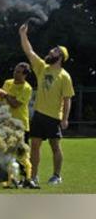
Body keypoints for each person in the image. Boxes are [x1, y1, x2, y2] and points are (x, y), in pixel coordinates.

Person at [19, 23, 74, 187]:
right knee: (34, 146)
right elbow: (29, 52)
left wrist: (64, 119)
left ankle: (57, 175)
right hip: (38, 114)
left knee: (55, 146)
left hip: (53, 116)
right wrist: (23, 35)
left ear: (61, 57)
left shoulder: (64, 76)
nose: (51, 51)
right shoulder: (42, 67)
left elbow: (67, 99)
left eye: (55, 51)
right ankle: (34, 177)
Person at [0, 62, 35, 188]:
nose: (15, 73)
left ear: (25, 75)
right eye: (15, 70)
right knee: (6, 153)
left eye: (18, 71)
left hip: (21, 125)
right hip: (6, 124)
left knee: (22, 154)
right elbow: (2, 100)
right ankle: (10, 179)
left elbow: (15, 104)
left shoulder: (27, 88)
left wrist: (5, 94)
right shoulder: (7, 83)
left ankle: (27, 178)